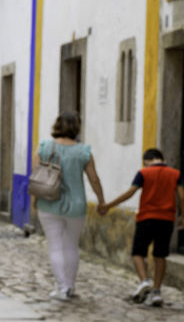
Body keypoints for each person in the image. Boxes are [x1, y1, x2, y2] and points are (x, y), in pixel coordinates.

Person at [34, 111, 106, 301]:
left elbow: (36, 174)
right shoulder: (83, 152)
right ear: (76, 128)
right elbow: (94, 179)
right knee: (71, 246)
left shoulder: (43, 147)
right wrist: (101, 201)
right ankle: (70, 286)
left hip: (48, 203)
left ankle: (61, 287)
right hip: (76, 205)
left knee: (55, 246)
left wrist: (34, 199)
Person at [99, 148, 184, 307]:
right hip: (166, 219)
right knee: (161, 255)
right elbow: (181, 196)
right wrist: (183, 216)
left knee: (138, 252)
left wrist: (108, 205)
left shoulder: (144, 173)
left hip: (146, 217)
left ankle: (144, 281)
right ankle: (157, 292)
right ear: (161, 158)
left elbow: (130, 193)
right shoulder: (176, 174)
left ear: (148, 160)